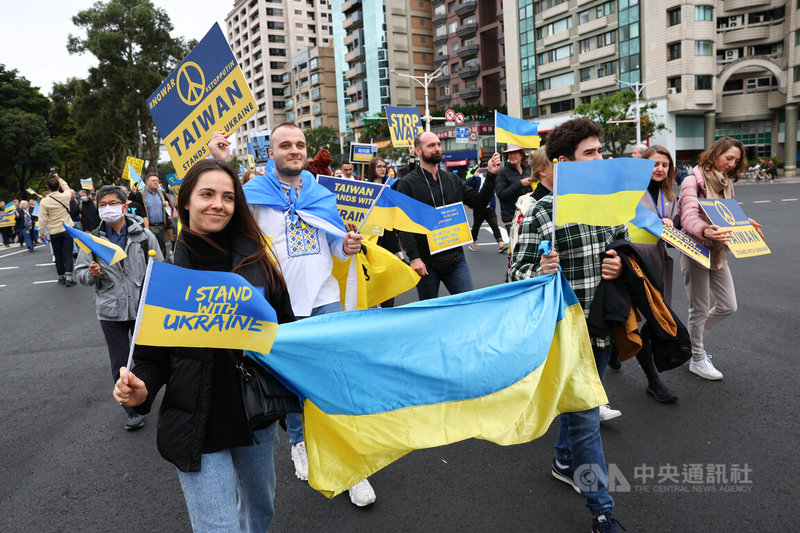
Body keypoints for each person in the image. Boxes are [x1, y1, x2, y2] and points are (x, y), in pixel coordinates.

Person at [113, 159, 295, 531]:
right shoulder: (166, 279)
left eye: (228, 197)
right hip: (195, 423)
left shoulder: (260, 263)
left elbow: (287, 333)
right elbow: (150, 358)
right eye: (207, 194)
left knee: (260, 511)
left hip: (254, 417)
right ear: (184, 205)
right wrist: (141, 390)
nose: (218, 204)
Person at [209, 125, 376, 507]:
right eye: (286, 145)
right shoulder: (252, 196)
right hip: (280, 305)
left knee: (336, 381)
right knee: (292, 384)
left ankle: (352, 467)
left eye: (300, 145)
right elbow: (215, 208)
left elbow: (334, 243)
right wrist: (219, 161)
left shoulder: (321, 194)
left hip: (324, 300)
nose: (294, 150)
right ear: (271, 153)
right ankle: (299, 442)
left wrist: (347, 245)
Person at [510, 118, 626, 533]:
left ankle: (562, 461)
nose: (599, 158)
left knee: (581, 408)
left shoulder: (608, 203)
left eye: (600, 151)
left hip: (602, 326)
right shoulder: (540, 211)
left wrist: (618, 263)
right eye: (589, 153)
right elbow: (515, 273)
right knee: (585, 417)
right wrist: (539, 269)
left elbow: (623, 249)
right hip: (564, 333)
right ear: (563, 163)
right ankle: (602, 511)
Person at [75, 185, 163, 430]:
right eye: (102, 205)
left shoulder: (145, 236)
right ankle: (131, 409)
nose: (107, 209)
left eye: (112, 203)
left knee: (150, 359)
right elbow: (80, 274)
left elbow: (162, 269)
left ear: (125, 206)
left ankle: (146, 392)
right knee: (121, 363)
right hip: (110, 311)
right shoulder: (91, 240)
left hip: (143, 310)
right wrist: (91, 274)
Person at [678, 136, 762, 381]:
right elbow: (688, 215)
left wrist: (745, 224)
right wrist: (703, 230)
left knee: (728, 305)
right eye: (729, 158)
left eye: (736, 160)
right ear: (715, 154)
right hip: (696, 249)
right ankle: (697, 358)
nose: (732, 164)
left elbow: (728, 216)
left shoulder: (726, 182)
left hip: (718, 250)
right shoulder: (692, 181)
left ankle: (693, 340)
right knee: (700, 308)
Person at [396, 131, 502, 300]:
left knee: (468, 305)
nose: (437, 148)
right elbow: (403, 224)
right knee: (430, 313)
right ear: (418, 151)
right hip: (426, 263)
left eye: (438, 144)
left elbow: (478, 202)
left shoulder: (452, 180)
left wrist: (491, 175)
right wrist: (414, 257)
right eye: (431, 145)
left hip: (456, 259)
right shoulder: (407, 183)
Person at [629, 145, 680, 402]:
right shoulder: (629, 192)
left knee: (652, 316)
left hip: (658, 261)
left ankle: (619, 348)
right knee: (640, 318)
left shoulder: (670, 195)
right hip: (633, 262)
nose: (660, 169)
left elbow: (677, 234)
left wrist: (672, 229)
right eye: (655, 164)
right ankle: (653, 380)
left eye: (665, 165)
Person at [37, 173, 76, 286]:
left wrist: (41, 232)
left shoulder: (44, 201)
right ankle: (69, 277)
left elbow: (42, 218)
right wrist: (59, 178)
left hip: (54, 231)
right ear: (59, 187)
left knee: (57, 254)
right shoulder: (65, 196)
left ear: (48, 188)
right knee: (68, 253)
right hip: (67, 228)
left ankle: (61, 277)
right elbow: (67, 187)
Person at [495, 143, 533, 238]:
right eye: (510, 153)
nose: (512, 155)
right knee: (516, 250)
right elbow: (501, 195)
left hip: (528, 217)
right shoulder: (502, 172)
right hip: (512, 219)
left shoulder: (528, 171)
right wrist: (519, 184)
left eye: (515, 152)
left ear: (522, 155)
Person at [465, 165, 504, 253]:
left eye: (487, 169)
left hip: (490, 207)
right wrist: (475, 175)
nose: (486, 171)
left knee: (495, 225)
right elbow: (467, 184)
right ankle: (473, 242)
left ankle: (501, 244)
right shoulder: (477, 178)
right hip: (479, 208)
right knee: (476, 226)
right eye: (485, 169)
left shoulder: (492, 178)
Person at [142, 173, 170, 257]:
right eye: (153, 181)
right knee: (151, 249)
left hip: (161, 226)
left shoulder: (161, 193)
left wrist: (166, 203)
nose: (156, 182)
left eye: (157, 181)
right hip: (150, 227)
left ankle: (163, 265)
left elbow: (168, 205)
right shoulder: (142, 194)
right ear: (147, 182)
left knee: (162, 248)